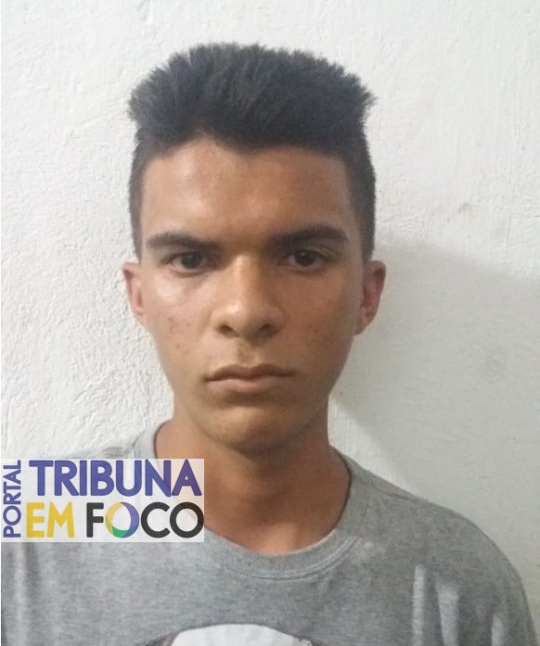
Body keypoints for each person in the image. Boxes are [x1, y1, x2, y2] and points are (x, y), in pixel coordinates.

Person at [2, 42, 537, 646]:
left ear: (366, 294)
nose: (247, 311)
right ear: (140, 294)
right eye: (191, 259)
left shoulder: (455, 585)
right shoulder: (29, 530)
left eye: (304, 257)